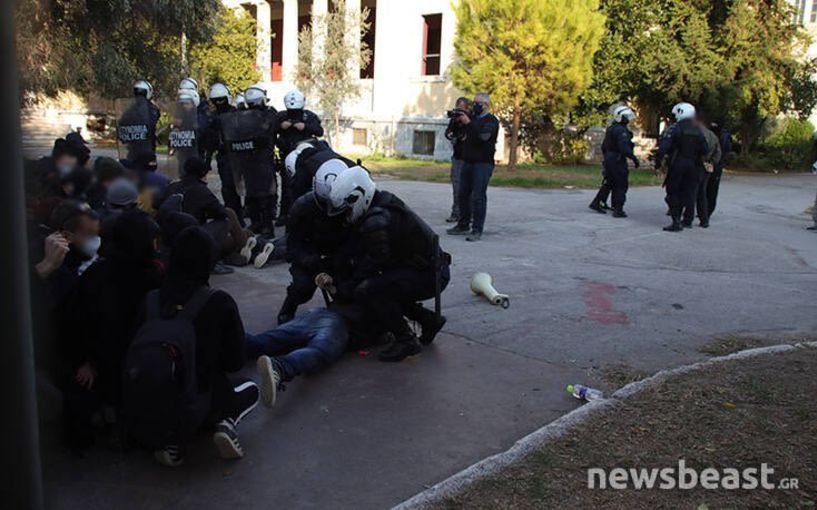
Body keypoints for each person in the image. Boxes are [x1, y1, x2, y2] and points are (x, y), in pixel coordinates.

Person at [130, 226, 273, 466]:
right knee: (251, 387)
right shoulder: (217, 301)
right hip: (199, 401)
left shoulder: (151, 299)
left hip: (147, 404)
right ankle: (225, 422)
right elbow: (234, 361)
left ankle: (168, 443)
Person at [59, 210, 164, 450]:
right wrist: (88, 361)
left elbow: (73, 324)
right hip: (129, 367)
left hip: (104, 365)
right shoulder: (153, 277)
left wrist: (85, 361)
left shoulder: (97, 274)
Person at [326, 167, 451, 362]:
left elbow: (373, 264)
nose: (347, 215)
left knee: (372, 289)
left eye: (348, 209)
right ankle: (429, 320)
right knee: (386, 285)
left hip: (429, 274)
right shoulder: (380, 204)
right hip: (429, 269)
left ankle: (406, 340)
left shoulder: (377, 220)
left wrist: (346, 288)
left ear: (358, 197)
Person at [248, 303, 389, 407]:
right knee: (320, 351)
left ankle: (233, 343)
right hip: (339, 323)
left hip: (317, 313)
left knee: (264, 342)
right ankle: (281, 367)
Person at [277, 161, 352, 324]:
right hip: (309, 255)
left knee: (348, 291)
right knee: (302, 288)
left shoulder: (351, 204)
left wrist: (339, 262)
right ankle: (288, 307)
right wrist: (309, 261)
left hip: (338, 256)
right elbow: (293, 244)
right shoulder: (301, 207)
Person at [155, 157, 251, 270]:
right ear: (202, 173)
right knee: (228, 215)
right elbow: (220, 212)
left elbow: (157, 205)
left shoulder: (172, 187)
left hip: (170, 242)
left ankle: (245, 241)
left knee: (244, 232)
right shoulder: (201, 190)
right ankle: (245, 246)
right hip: (193, 241)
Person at [219, 84, 278, 237]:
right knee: (251, 193)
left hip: (263, 159)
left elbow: (269, 130)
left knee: (264, 194)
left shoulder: (269, 114)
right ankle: (256, 223)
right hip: (247, 159)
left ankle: (266, 226)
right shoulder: (243, 115)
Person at [446, 93, 499, 242]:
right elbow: (458, 134)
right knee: (463, 194)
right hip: (467, 161)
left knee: (478, 196)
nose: (474, 106)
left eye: (477, 103)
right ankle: (463, 225)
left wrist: (468, 123)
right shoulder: (472, 119)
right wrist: (457, 122)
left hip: (483, 163)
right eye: (473, 102)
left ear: (486, 105)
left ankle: (477, 229)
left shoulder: (491, 121)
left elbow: (483, 137)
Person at [654, 102, 709, 232]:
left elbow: (663, 147)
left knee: (673, 192)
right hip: (694, 165)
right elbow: (705, 149)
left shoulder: (675, 128)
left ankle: (676, 221)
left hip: (678, 163)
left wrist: (658, 162)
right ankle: (688, 220)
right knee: (690, 193)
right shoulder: (698, 129)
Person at [275, 90, 324, 225]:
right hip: (286, 156)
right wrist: (280, 126)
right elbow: (270, 131)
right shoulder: (281, 116)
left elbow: (319, 131)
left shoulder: (309, 116)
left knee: (305, 185)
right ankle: (284, 215)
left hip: (305, 157)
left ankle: (305, 214)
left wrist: (305, 127)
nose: (293, 114)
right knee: (286, 186)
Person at [589, 106, 639, 217]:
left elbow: (604, 146)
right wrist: (634, 158)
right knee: (620, 184)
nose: (629, 119)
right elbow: (624, 148)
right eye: (626, 117)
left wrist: (607, 158)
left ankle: (597, 202)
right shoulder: (621, 131)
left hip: (610, 158)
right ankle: (618, 209)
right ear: (620, 117)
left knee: (610, 182)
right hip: (617, 160)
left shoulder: (612, 128)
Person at [205, 83, 243, 216]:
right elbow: (209, 140)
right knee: (228, 186)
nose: (220, 102)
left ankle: (238, 213)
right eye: (217, 100)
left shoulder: (235, 114)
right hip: (224, 155)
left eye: (221, 99)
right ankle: (232, 212)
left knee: (235, 185)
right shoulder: (212, 117)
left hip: (236, 154)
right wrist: (208, 159)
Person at [692, 117, 722, 229]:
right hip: (706, 166)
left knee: (691, 192)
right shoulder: (713, 136)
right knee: (702, 193)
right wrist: (710, 162)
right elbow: (718, 153)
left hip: (696, 165)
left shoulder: (696, 134)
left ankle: (687, 218)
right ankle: (704, 219)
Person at [444, 97, 470, 223]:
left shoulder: (470, 120)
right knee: (456, 187)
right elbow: (448, 132)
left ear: (466, 108)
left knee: (470, 189)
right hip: (457, 157)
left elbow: (471, 134)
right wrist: (453, 127)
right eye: (457, 108)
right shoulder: (455, 120)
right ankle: (456, 213)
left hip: (468, 158)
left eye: (461, 109)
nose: (459, 111)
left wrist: (465, 122)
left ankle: (469, 215)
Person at [708, 121, 731, 216]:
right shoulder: (712, 133)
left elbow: (725, 149)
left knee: (711, 188)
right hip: (711, 163)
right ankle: (705, 210)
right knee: (707, 188)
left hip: (716, 164)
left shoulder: (724, 136)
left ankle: (708, 210)